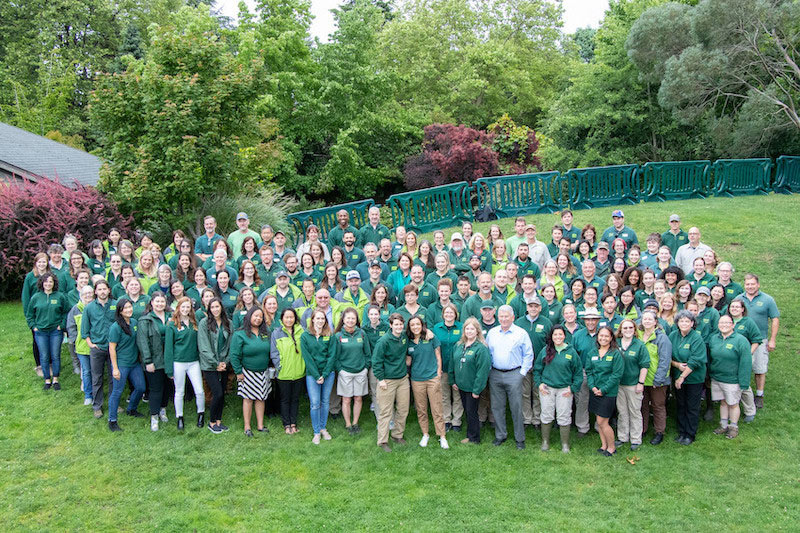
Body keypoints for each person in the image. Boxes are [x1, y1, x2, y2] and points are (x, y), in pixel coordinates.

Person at [485, 305, 534, 449]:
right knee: (497, 407)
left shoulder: (521, 333)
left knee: (516, 407)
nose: (504, 319)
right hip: (495, 373)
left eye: (507, 316)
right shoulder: (492, 333)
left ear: (513, 317)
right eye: (501, 316)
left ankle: (520, 438)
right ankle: (500, 435)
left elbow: (528, 354)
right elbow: (487, 353)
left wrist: (522, 373)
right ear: (497, 317)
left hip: (514, 374)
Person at [533, 325, 583, 453]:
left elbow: (578, 373)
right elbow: (537, 369)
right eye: (555, 335)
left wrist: (572, 388)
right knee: (546, 414)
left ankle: (565, 444)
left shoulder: (571, 352)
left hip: (564, 390)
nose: (558, 337)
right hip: (547, 388)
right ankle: (545, 442)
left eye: (560, 334)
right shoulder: (545, 350)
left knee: (564, 416)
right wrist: (539, 384)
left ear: (564, 336)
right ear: (551, 336)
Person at [734, 273, 779, 411]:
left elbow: (775, 319)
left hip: (760, 340)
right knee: (739, 367)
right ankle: (739, 394)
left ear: (758, 284)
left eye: (753, 284)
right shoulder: (738, 299)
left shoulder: (767, 299)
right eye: (747, 284)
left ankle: (759, 395)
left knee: (759, 368)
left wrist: (772, 339)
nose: (750, 286)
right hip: (741, 340)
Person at [406, 316, 448, 449]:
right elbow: (408, 361)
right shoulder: (408, 341)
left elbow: (438, 355)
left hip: (432, 378)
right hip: (417, 380)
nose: (415, 327)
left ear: (422, 325)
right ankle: (425, 434)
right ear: (409, 327)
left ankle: (442, 436)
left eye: (417, 324)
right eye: (412, 325)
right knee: (421, 409)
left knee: (437, 408)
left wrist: (438, 372)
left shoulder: (431, 337)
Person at [164, 297, 205, 431]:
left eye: (188, 307)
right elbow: (169, 348)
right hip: (178, 362)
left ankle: (201, 414)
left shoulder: (195, 322)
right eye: (183, 307)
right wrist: (169, 369)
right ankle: (179, 417)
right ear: (178, 308)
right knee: (179, 391)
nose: (185, 309)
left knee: (199, 390)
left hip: (193, 362)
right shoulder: (172, 324)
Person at [708, 315, 752, 439]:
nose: (724, 325)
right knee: (723, 402)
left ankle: (733, 427)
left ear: (733, 325)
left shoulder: (741, 340)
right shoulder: (714, 339)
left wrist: (743, 381)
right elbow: (711, 358)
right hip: (717, 378)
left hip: (732, 380)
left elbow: (746, 362)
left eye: (727, 323)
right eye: (721, 323)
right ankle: (723, 425)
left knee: (733, 403)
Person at [230, 307, 272, 436]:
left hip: (263, 372)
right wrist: (238, 372)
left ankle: (260, 425)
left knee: (261, 398)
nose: (258, 319)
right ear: (248, 317)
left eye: (260, 317)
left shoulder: (266, 333)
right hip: (247, 372)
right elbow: (234, 355)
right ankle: (247, 427)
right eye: (255, 316)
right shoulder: (240, 334)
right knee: (248, 399)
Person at [373, 313, 411, 452]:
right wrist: (381, 379)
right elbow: (376, 361)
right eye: (396, 324)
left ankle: (397, 435)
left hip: (402, 379)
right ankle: (382, 440)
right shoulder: (383, 341)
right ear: (390, 325)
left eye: (401, 324)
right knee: (385, 411)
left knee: (403, 409)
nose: (399, 327)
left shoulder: (404, 338)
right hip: (387, 380)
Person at [25, 272, 70, 391]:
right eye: (46, 281)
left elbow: (66, 312)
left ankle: (55, 379)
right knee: (44, 356)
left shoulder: (60, 296)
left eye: (51, 281)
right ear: (42, 283)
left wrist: (62, 325)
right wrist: (33, 326)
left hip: (56, 331)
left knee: (55, 355)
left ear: (54, 283)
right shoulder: (35, 297)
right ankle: (47, 380)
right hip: (40, 332)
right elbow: (30, 315)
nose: (48, 284)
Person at [450, 317, 491, 444]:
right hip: (461, 385)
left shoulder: (481, 348)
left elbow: (482, 371)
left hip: (473, 387)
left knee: (472, 412)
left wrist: (477, 390)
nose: (469, 331)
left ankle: (474, 438)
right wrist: (452, 380)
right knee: (468, 411)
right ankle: (471, 434)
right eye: (467, 328)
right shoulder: (459, 345)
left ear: (477, 331)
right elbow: (452, 362)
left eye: (472, 329)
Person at [669, 310, 707, 445]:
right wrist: (677, 365)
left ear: (692, 323)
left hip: (693, 378)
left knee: (692, 406)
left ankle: (690, 434)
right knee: (681, 404)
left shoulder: (696, 338)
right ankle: (681, 431)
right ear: (677, 323)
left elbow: (696, 360)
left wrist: (682, 378)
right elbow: (667, 356)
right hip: (678, 375)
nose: (684, 323)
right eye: (681, 321)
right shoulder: (673, 336)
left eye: (687, 321)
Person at [107, 298, 146, 431]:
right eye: (126, 308)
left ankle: (132, 409)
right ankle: (112, 420)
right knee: (117, 392)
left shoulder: (134, 322)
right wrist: (115, 368)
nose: (129, 310)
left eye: (130, 307)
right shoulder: (115, 327)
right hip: (122, 364)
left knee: (141, 387)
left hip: (134, 363)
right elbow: (112, 348)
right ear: (120, 311)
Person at [331, 307, 371, 435]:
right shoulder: (338, 336)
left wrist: (365, 368)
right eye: (348, 318)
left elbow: (367, 354)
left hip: (360, 371)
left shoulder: (362, 334)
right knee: (346, 399)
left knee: (358, 398)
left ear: (356, 320)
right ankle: (348, 424)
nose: (350, 320)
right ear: (343, 319)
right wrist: (340, 370)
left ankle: (355, 423)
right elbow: (335, 356)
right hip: (345, 372)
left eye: (353, 318)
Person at [515, 295, 552, 430]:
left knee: (538, 392)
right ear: (527, 307)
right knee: (524, 393)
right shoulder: (519, 323)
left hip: (540, 364)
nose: (533, 308)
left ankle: (537, 418)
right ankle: (527, 418)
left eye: (536, 306)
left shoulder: (546, 323)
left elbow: (550, 343)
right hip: (523, 364)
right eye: (531, 306)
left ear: (540, 308)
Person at [81, 280, 117, 418]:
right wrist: (90, 344)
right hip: (98, 348)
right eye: (99, 289)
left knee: (114, 377)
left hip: (113, 347)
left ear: (109, 290)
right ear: (95, 292)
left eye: (104, 289)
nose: (102, 292)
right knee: (97, 377)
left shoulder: (115, 305)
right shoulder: (89, 308)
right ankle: (97, 405)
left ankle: (114, 404)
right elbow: (85, 329)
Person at [586, 326, 624, 456]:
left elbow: (616, 375)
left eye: (606, 336)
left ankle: (612, 447)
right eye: (601, 335)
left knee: (603, 422)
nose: (603, 338)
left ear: (611, 338)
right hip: (595, 391)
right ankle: (604, 445)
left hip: (608, 393)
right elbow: (589, 371)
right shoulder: (592, 353)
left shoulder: (615, 354)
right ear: (597, 337)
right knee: (599, 421)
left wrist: (603, 389)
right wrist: (593, 387)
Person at [137, 292, 171, 431]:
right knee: (156, 389)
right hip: (154, 360)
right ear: (151, 303)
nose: (160, 304)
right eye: (157, 301)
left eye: (162, 301)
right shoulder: (145, 320)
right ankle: (154, 415)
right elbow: (142, 342)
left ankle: (163, 409)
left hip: (169, 359)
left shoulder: (172, 316)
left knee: (168, 387)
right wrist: (148, 361)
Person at [614, 319, 650, 451]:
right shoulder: (616, 344)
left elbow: (645, 365)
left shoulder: (639, 345)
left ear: (634, 330)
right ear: (621, 330)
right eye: (625, 328)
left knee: (634, 411)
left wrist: (641, 382)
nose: (628, 330)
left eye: (630, 328)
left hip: (634, 384)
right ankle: (623, 437)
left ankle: (636, 439)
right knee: (622, 411)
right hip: (619, 384)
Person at [301, 309, 336, 444]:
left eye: (323, 319)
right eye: (318, 318)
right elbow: (307, 358)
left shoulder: (330, 335)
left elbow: (332, 356)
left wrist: (325, 374)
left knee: (325, 401)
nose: (320, 321)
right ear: (313, 320)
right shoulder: (305, 336)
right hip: (312, 375)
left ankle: (323, 428)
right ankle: (316, 432)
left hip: (328, 373)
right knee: (315, 403)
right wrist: (316, 375)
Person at [198, 298, 232, 434]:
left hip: (224, 364)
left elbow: (230, 344)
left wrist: (225, 362)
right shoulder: (204, 323)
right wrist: (215, 363)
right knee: (216, 393)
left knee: (222, 393)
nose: (215, 309)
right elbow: (204, 346)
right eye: (212, 307)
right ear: (209, 309)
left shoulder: (228, 323)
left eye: (217, 306)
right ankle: (212, 422)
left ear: (221, 308)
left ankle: (219, 421)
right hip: (209, 365)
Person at [638, 310, 672, 445]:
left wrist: (658, 379)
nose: (647, 321)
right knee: (642, 406)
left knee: (658, 406)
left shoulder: (662, 338)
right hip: (641, 379)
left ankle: (659, 432)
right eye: (644, 319)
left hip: (657, 379)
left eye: (649, 319)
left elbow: (665, 360)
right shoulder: (638, 336)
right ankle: (643, 429)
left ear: (655, 322)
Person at [270, 308, 306, 435]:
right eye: (286, 317)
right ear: (282, 319)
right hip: (284, 373)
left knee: (295, 399)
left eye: (291, 317)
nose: (289, 320)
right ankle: (286, 424)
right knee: (285, 399)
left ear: (295, 318)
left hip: (299, 372)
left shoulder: (302, 331)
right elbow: (274, 353)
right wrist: (279, 366)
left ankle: (293, 423)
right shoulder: (276, 333)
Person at [432, 303, 463, 432]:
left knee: (457, 395)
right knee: (444, 394)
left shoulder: (461, 327)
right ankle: (446, 419)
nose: (449, 315)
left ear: (455, 314)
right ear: (443, 314)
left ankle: (457, 421)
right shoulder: (437, 328)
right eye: (447, 313)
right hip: (443, 366)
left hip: (458, 367)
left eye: (452, 313)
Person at [67, 285, 95, 405]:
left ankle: (97, 393)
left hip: (96, 346)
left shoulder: (96, 307)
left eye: (90, 293)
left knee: (96, 372)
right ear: (81, 295)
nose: (88, 295)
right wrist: (75, 341)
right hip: (82, 348)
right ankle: (88, 395)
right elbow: (71, 327)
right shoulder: (75, 309)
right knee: (87, 371)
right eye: (85, 294)